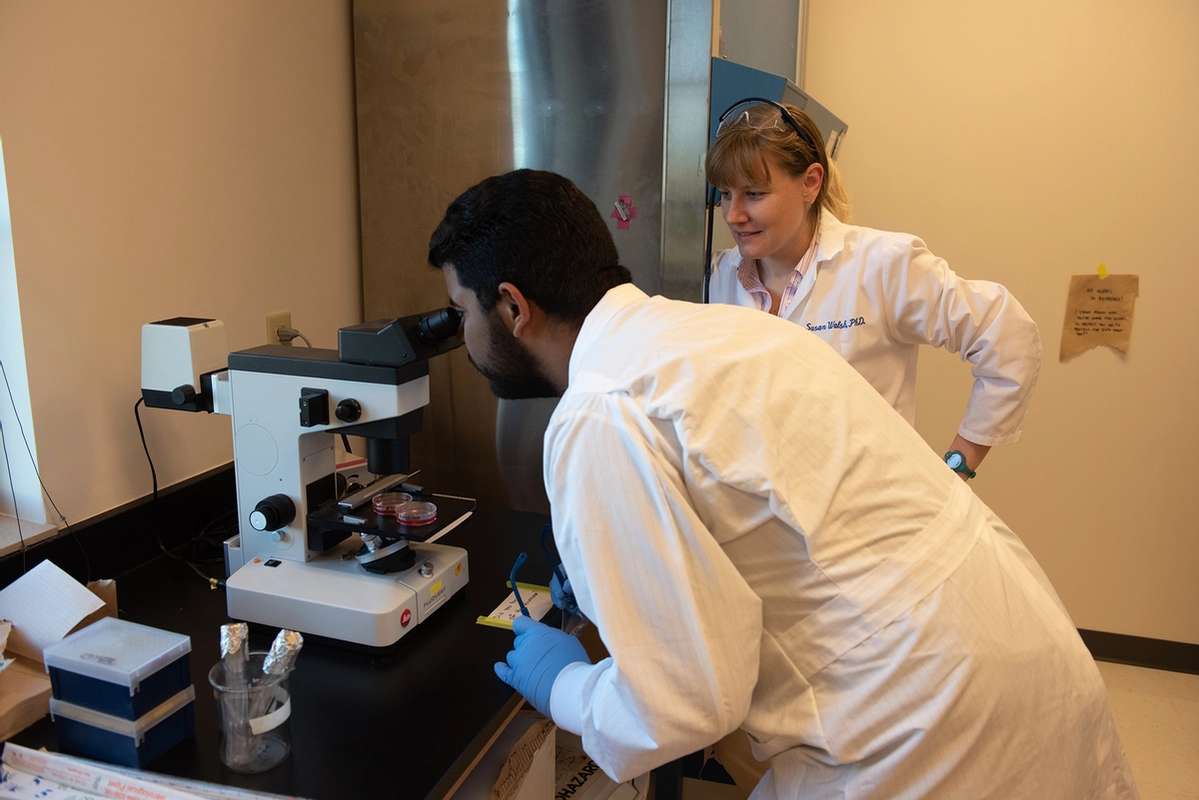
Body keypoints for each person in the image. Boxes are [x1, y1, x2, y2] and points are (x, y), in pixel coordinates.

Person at [427, 169, 1136, 798]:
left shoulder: (598, 410)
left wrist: (568, 687)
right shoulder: (731, 332)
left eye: (462, 312)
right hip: (1020, 645)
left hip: (918, 727)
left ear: (513, 307)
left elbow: (681, 703)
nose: (462, 336)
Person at [706, 101, 1041, 481]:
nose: (734, 214)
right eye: (724, 195)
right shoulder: (716, 279)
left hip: (868, 519)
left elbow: (1007, 336)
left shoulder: (881, 264)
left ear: (811, 183)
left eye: (753, 194)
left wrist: (957, 466)